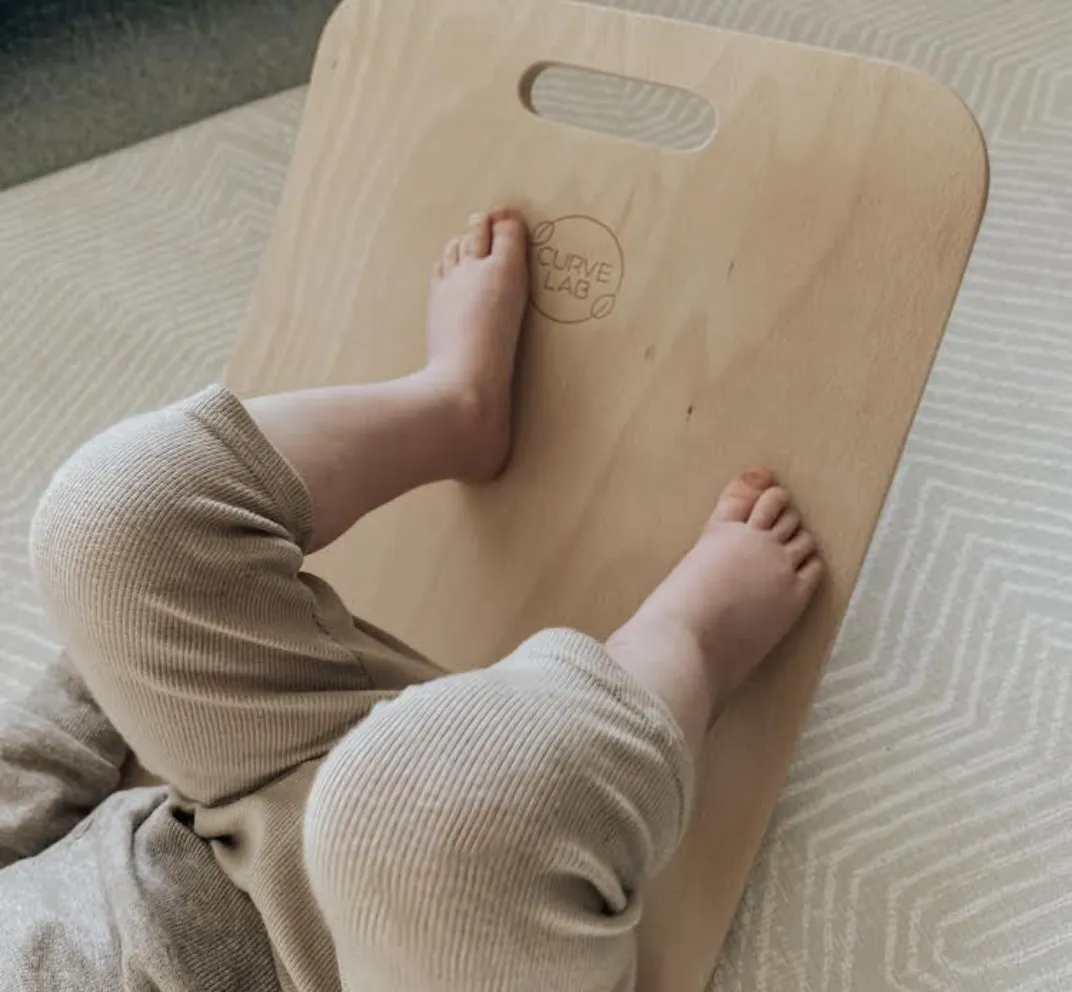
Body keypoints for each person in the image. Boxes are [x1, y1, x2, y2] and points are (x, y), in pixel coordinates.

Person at [1, 208, 822, 992]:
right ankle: (690, 648)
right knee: (412, 825)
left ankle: (455, 406)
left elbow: (24, 772)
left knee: (103, 519)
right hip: (397, 957)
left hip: (236, 806)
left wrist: (118, 625)